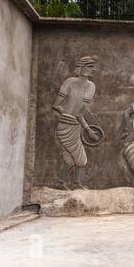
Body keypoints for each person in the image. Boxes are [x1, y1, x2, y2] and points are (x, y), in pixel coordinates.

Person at [52, 56, 100, 189]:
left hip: (75, 126)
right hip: (65, 125)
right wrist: (68, 116)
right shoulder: (70, 82)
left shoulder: (91, 86)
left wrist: (86, 128)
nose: (93, 69)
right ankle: (76, 183)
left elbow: (79, 113)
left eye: (93, 67)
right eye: (90, 66)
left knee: (69, 158)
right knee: (81, 159)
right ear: (82, 67)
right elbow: (56, 105)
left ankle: (62, 182)